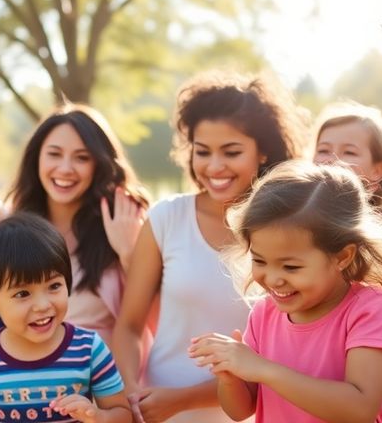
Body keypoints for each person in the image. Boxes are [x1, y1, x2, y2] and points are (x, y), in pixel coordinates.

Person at [111, 71, 306, 423]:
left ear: (263, 152)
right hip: (156, 414)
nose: (214, 167)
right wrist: (128, 393)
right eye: (203, 152)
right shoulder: (167, 218)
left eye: (231, 152)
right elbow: (129, 326)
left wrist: (182, 400)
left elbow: (283, 358)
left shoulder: (290, 231)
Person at [188, 161, 382, 422]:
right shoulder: (265, 313)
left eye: (291, 267)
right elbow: (241, 410)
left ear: (342, 256)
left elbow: (360, 408)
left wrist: (262, 368)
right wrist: (230, 377)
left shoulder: (370, 310)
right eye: (259, 261)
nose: (273, 279)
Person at [0, 212, 132, 423]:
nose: (43, 305)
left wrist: (97, 417)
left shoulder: (89, 349)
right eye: (22, 293)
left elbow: (124, 414)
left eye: (54, 286)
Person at [7, 104, 149, 345]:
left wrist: (128, 253)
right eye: (54, 154)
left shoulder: (125, 222)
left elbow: (152, 318)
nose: (65, 169)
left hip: (103, 374)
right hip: (30, 375)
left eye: (82, 158)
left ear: (99, 164)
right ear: (36, 158)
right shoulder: (10, 227)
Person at [313, 101, 382, 226]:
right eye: (323, 150)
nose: (332, 159)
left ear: (377, 170)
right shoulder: (299, 213)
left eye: (349, 152)